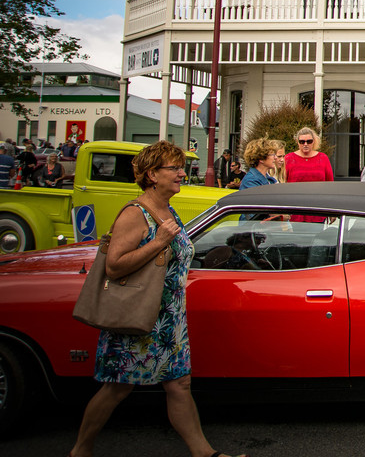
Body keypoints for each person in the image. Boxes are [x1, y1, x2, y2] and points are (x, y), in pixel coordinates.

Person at [69, 140, 245, 457]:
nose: (181, 173)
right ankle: (80, 450)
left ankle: (204, 453)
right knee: (117, 387)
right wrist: (159, 242)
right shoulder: (136, 214)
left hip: (169, 320)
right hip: (140, 315)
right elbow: (114, 266)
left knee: (179, 385)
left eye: (182, 168)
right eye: (174, 168)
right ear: (152, 174)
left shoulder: (167, 208)